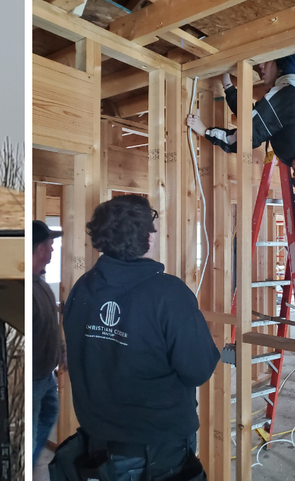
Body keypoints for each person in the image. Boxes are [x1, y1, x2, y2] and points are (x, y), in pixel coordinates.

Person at [187, 53, 295, 351]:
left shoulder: (286, 90)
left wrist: (206, 132)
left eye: (266, 61)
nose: (260, 67)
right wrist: (228, 86)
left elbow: (242, 138)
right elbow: (255, 119)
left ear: (284, 64)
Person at [51, 195, 217, 481]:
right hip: (157, 452)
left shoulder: (82, 288)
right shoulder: (169, 294)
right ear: (148, 238)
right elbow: (198, 369)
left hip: (98, 446)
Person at [33, 220, 64, 467]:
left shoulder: (41, 284)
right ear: (39, 248)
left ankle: (32, 462)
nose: (52, 250)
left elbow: (49, 327)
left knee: (49, 415)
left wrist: (60, 351)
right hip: (34, 379)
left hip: (46, 376)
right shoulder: (28, 287)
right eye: (50, 245)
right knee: (32, 428)